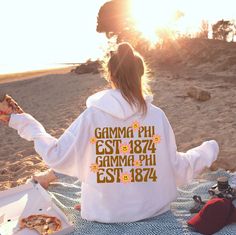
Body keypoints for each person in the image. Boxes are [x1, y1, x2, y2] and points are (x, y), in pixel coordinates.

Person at [0, 42, 219, 223]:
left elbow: (57, 155)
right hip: (154, 208)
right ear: (140, 74)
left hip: (104, 214)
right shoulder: (156, 116)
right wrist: (208, 149)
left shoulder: (93, 116)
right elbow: (177, 167)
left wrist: (23, 121)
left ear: (110, 76)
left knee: (88, 159)